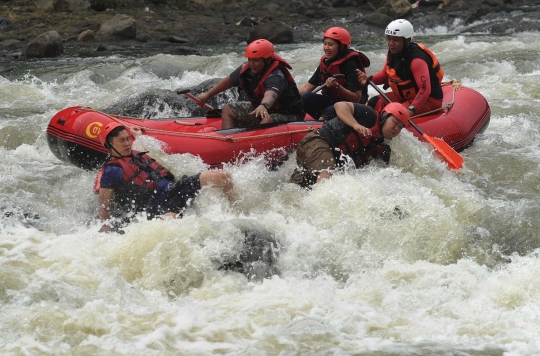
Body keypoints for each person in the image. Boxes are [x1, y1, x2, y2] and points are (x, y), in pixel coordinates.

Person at [94, 122, 234, 232]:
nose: (127, 143)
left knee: (223, 176)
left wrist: (137, 136)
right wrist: (107, 228)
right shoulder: (112, 171)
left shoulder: (135, 152)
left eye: (127, 139)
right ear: (110, 145)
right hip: (157, 206)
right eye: (121, 141)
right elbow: (104, 205)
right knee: (173, 222)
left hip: (174, 189)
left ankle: (238, 215)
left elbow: (152, 150)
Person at [290, 102, 410, 188]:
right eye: (395, 122)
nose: (396, 129)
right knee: (326, 173)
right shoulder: (370, 116)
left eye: (400, 127)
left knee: (298, 189)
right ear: (384, 117)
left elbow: (380, 172)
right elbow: (340, 105)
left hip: (326, 157)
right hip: (317, 141)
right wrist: (355, 124)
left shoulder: (384, 148)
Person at [197, 39, 305, 129]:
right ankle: (229, 143)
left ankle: (255, 148)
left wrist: (263, 105)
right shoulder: (247, 69)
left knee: (266, 119)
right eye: (250, 60)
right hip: (261, 109)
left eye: (256, 60)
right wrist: (208, 94)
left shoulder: (276, 75)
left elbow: (271, 94)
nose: (251, 64)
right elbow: (229, 81)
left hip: (289, 114)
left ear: (267, 60)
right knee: (228, 109)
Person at [357, 19, 444, 118]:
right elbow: (385, 75)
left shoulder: (416, 60)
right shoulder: (393, 53)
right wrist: (368, 79)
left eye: (396, 40)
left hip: (428, 100)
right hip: (404, 97)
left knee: (393, 115)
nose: (391, 43)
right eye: (389, 39)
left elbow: (425, 89)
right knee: (373, 103)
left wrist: (412, 108)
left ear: (407, 40)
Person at [298, 26, 370, 121]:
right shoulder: (327, 62)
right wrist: (288, 97)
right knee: (304, 98)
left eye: (330, 44)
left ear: (341, 46)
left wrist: (337, 86)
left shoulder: (351, 65)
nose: (326, 48)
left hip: (351, 107)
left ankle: (320, 128)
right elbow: (306, 88)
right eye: (325, 44)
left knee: (331, 110)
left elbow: (356, 98)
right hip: (332, 101)